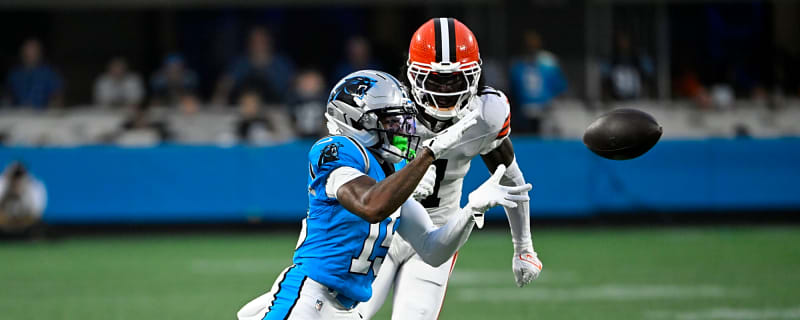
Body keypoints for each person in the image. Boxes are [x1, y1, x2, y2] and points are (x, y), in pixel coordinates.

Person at [236, 70, 531, 320]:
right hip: (309, 298)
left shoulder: (389, 174)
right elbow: (371, 205)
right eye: (390, 120)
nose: (401, 129)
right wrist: (429, 154)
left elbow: (432, 249)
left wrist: (471, 211)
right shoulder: (335, 150)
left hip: (343, 310)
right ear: (357, 122)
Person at [360, 18, 543, 319]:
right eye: (435, 80)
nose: (445, 90)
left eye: (455, 80)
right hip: (382, 232)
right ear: (412, 75)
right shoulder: (386, 107)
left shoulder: (486, 115)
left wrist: (523, 246)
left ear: (474, 76)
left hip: (438, 237)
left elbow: (511, 178)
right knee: (351, 315)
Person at [213, 27, 294, 106]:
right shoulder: (240, 63)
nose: (258, 44)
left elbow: (292, 87)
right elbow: (225, 84)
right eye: (254, 40)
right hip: (243, 108)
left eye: (261, 40)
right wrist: (219, 98)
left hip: (275, 108)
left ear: (269, 42)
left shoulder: (282, 64)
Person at [509, 30, 567, 134]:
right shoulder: (517, 65)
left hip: (545, 110)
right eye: (529, 45)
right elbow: (513, 89)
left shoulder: (549, 63)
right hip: (524, 112)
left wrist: (551, 104)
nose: (531, 47)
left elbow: (560, 87)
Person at [5, 38, 63, 109]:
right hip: (19, 113)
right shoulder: (15, 74)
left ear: (40, 53)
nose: (31, 54)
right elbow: (8, 96)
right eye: (27, 50)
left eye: (34, 50)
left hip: (41, 114)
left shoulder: (49, 73)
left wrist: (52, 109)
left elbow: (57, 95)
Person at [0, 162, 47, 234]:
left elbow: (36, 214)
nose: (16, 181)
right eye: (14, 177)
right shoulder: (2, 185)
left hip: (27, 227)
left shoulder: (34, 186)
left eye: (19, 177)